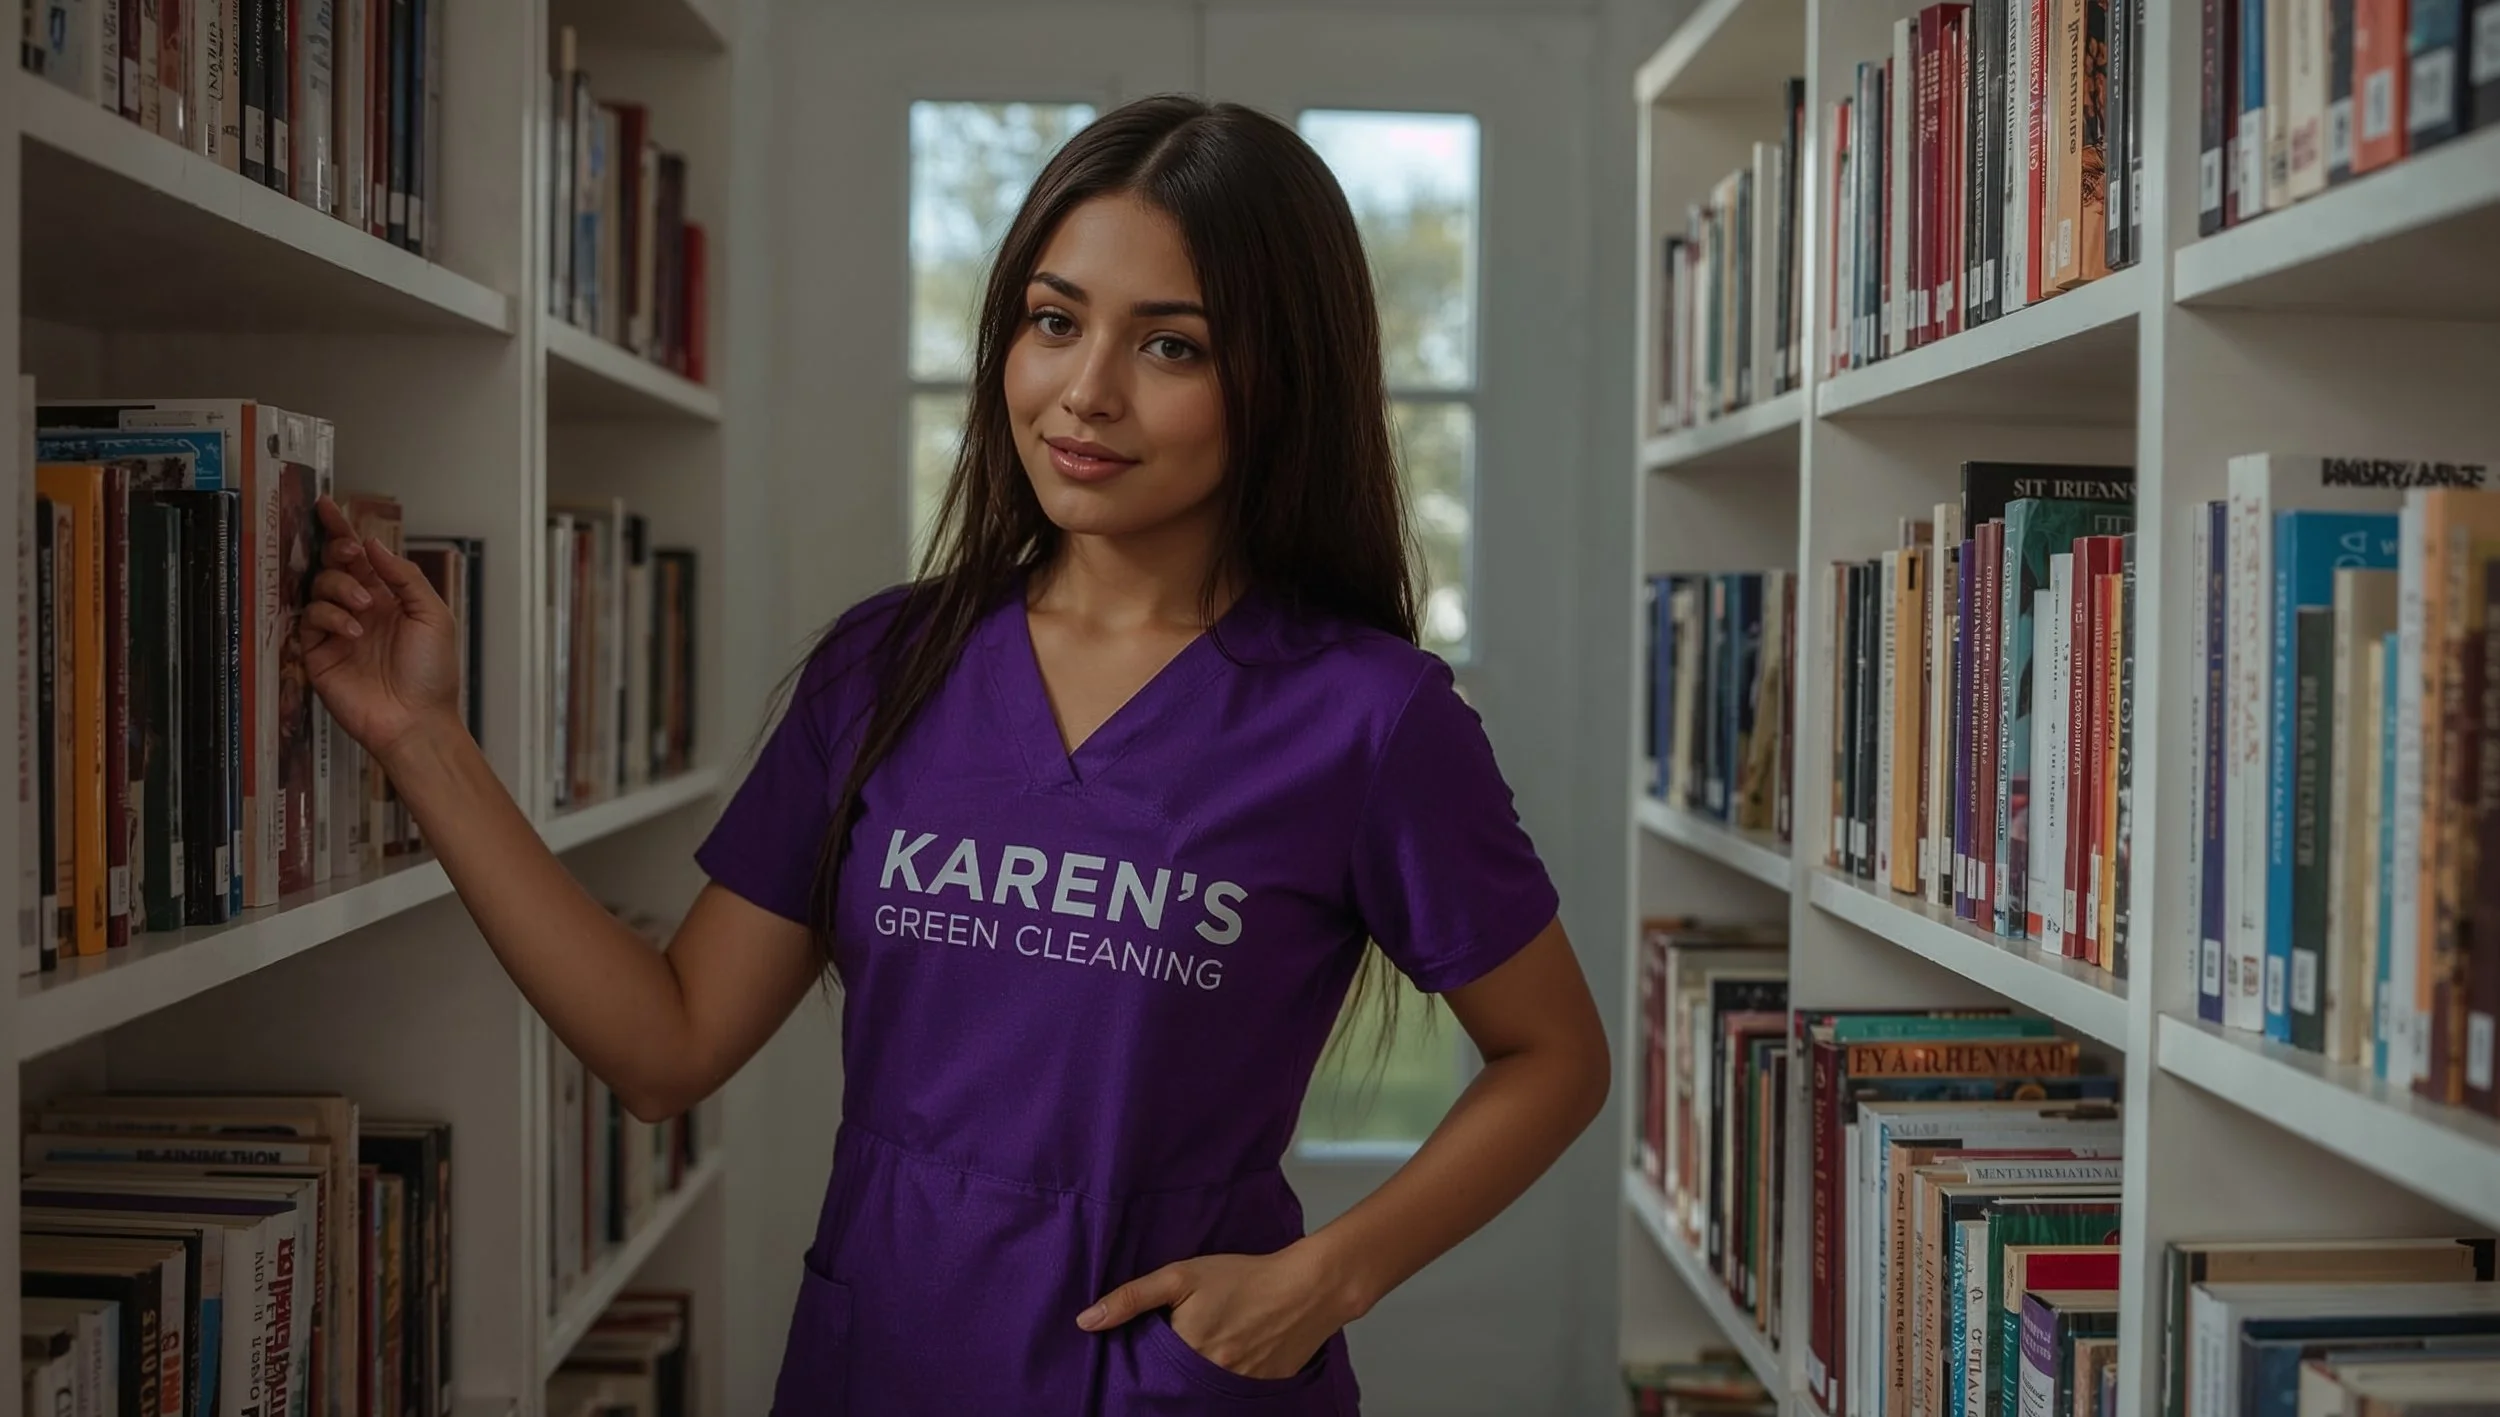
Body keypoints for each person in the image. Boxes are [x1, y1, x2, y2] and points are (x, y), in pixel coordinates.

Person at [301, 94, 1609, 1416]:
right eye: (1054, 321)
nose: (1084, 393)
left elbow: (1555, 1056)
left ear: (1281, 383)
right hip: (881, 1363)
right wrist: (423, 741)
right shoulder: (884, 668)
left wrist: (1326, 1278)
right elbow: (666, 1047)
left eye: (1171, 346)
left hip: (1172, 1384)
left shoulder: (1370, 718)